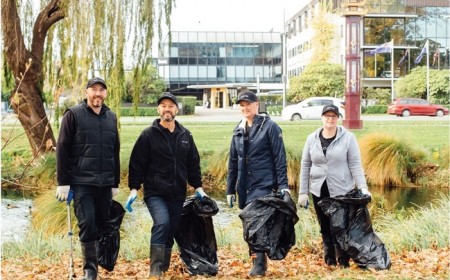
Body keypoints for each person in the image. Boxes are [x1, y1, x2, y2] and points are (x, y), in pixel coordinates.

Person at [125, 92, 207, 276]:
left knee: (171, 229)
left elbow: (193, 163)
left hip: (178, 193)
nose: (167, 109)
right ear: (158, 110)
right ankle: (155, 270)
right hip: (155, 193)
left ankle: (163, 268)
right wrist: (133, 188)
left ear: (176, 109)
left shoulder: (185, 135)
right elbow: (136, 163)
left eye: (171, 106)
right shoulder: (148, 135)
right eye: (163, 106)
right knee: (162, 223)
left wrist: (198, 187)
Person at [56, 77, 120, 280]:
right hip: (81, 182)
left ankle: (96, 263)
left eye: (102, 90)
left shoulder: (111, 117)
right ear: (86, 92)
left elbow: (114, 151)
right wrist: (63, 182)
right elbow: (62, 150)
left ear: (106, 94)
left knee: (101, 224)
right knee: (88, 224)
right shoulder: (73, 115)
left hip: (105, 183)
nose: (98, 94)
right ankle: (90, 272)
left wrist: (115, 182)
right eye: (94, 90)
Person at [298, 104, 371, 267]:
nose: (330, 119)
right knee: (324, 225)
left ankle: (343, 259)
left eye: (333, 116)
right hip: (319, 189)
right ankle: (329, 258)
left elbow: (355, 164)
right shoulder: (312, 138)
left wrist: (362, 187)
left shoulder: (348, 137)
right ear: (322, 117)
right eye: (327, 116)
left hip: (341, 190)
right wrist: (303, 192)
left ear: (338, 118)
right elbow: (305, 165)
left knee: (340, 225)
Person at [226, 91, 290, 276]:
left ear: (256, 105)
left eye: (249, 104)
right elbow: (233, 161)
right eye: (242, 105)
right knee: (249, 224)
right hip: (244, 186)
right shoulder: (238, 129)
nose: (245, 108)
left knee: (257, 224)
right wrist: (230, 189)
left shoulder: (270, 127)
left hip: (264, 184)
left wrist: (283, 185)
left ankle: (259, 266)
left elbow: (280, 158)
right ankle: (256, 261)